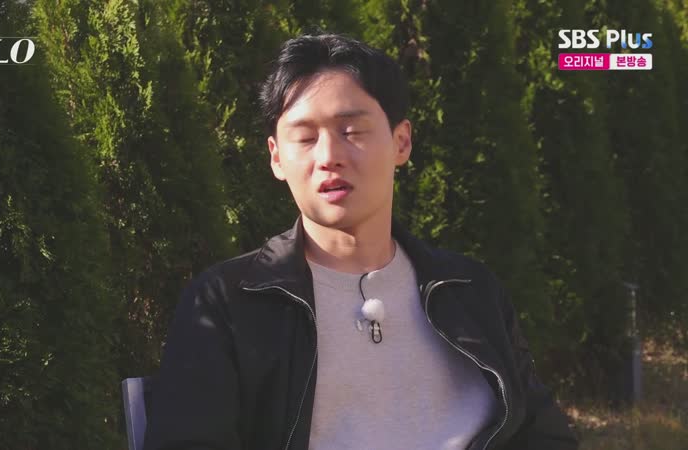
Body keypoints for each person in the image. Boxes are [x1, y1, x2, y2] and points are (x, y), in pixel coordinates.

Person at [144, 33, 578, 450]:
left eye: (351, 131)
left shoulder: (470, 292)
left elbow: (544, 437)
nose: (328, 156)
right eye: (305, 138)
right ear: (276, 157)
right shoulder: (228, 303)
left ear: (401, 142)